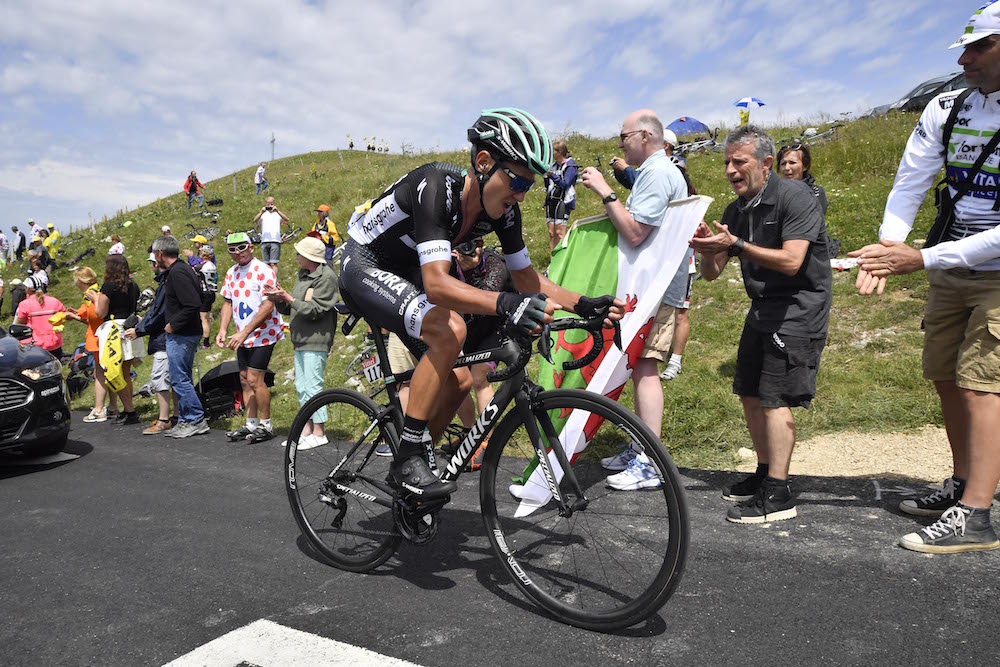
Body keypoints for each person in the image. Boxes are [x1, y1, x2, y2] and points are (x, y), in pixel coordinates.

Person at [338, 107, 622, 497]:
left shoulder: (504, 214)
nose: (521, 195)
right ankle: (407, 459)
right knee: (449, 329)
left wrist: (582, 302)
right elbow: (438, 285)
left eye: (530, 185)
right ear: (484, 162)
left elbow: (526, 278)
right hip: (365, 263)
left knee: (458, 378)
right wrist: (506, 304)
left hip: (407, 270)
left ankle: (414, 462)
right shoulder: (436, 187)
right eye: (518, 180)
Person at [848, 3, 1000, 554]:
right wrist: (889, 248)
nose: (965, 59)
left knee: (982, 384)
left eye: (979, 47)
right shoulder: (947, 105)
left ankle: (978, 517)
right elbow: (911, 178)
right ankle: (964, 486)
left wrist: (922, 259)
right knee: (944, 375)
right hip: (952, 269)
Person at [690, 124, 831, 524]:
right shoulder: (735, 209)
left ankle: (779, 492)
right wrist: (706, 246)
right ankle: (764, 472)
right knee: (750, 393)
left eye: (740, 162)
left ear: (766, 163)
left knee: (775, 398)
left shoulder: (796, 197)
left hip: (799, 308)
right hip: (762, 309)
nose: (731, 170)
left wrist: (734, 245)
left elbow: (791, 261)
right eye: (726, 163)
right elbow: (714, 273)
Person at [579, 109, 690, 490]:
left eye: (623, 136)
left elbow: (635, 233)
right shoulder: (655, 173)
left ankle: (651, 460)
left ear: (644, 136)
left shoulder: (658, 174)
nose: (620, 144)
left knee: (645, 367)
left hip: (656, 290)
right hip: (650, 287)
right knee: (638, 366)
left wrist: (604, 191)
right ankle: (642, 444)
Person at [609, 127, 698, 382]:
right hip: (663, 266)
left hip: (675, 263)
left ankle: (676, 360)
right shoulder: (661, 172)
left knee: (680, 312)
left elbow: (641, 220)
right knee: (644, 362)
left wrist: (610, 193)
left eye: (625, 138)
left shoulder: (666, 172)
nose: (621, 144)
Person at [264, 236, 338, 449]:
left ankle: (319, 432)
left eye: (299, 253)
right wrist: (278, 298)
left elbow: (315, 310)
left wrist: (287, 298)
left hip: (316, 339)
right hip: (300, 339)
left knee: (313, 386)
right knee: (301, 386)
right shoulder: (304, 276)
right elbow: (293, 307)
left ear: (309, 257)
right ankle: (306, 431)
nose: (296, 256)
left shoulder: (326, 278)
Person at [216, 232, 285, 443]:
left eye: (242, 247)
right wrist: (222, 329)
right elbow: (228, 302)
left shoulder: (263, 271)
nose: (238, 253)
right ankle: (250, 423)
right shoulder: (231, 273)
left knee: (255, 379)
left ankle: (266, 425)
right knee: (244, 380)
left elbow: (268, 305)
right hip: (242, 334)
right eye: (232, 249)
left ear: (251, 247)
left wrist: (245, 332)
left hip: (264, 333)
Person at [153, 235, 209, 438]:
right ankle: (186, 420)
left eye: (154, 253)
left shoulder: (178, 272)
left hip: (182, 334)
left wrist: (172, 325)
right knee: (182, 377)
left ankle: (195, 419)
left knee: (179, 379)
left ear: (160, 253)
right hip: (186, 332)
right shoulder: (181, 269)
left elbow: (193, 303)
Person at [124, 252, 178, 435]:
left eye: (152, 263)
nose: (151, 266)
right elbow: (156, 311)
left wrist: (139, 330)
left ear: (157, 263)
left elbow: (159, 313)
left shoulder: (165, 283)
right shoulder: (167, 281)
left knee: (160, 378)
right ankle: (176, 416)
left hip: (164, 338)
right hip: (169, 336)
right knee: (174, 378)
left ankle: (164, 419)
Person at [94, 253, 143, 425]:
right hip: (130, 327)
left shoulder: (108, 286)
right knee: (125, 373)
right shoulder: (133, 285)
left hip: (114, 330)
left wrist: (95, 299)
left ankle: (130, 410)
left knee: (115, 371)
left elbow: (100, 312)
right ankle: (128, 409)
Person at [65, 267, 117, 422]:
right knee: (109, 372)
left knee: (100, 373)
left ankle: (99, 409)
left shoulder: (91, 294)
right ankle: (113, 406)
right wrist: (76, 314)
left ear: (81, 280)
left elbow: (96, 317)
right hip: (103, 336)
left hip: (97, 337)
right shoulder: (96, 290)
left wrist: (75, 317)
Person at [14, 276, 66, 357]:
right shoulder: (54, 301)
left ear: (28, 289)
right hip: (54, 343)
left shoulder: (25, 304)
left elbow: (19, 324)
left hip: (34, 345)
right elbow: (63, 315)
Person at [544, 140, 578, 256]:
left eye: (553, 151)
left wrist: (552, 175)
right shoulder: (553, 166)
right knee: (551, 233)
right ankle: (552, 263)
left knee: (559, 233)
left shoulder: (570, 165)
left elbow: (565, 184)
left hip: (564, 200)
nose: (551, 153)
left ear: (560, 152)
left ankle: (563, 260)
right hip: (551, 201)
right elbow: (547, 184)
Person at [253, 196, 289, 270]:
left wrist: (278, 211)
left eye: (271, 204)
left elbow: (286, 219)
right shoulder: (263, 214)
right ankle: (267, 279)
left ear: (274, 204)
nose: (269, 206)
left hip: (275, 240)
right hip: (265, 240)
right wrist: (261, 212)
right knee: (266, 264)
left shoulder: (277, 214)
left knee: (273, 263)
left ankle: (274, 280)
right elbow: (255, 220)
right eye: (268, 204)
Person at [197, 245, 217, 348]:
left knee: (203, 318)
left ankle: (205, 343)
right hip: (212, 293)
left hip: (204, 294)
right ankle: (206, 340)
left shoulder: (201, 266)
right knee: (208, 318)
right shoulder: (213, 265)